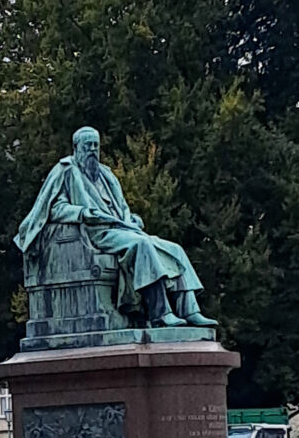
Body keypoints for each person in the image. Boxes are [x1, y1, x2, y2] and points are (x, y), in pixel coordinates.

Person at [15, 126, 216, 328]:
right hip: (96, 232)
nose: (93, 150)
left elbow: (122, 207)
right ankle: (160, 313)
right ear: (76, 147)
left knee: (175, 249)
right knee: (142, 246)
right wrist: (82, 213)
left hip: (122, 228)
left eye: (96, 145)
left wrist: (131, 219)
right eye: (88, 146)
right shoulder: (66, 171)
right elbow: (54, 208)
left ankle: (190, 310)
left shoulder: (105, 174)